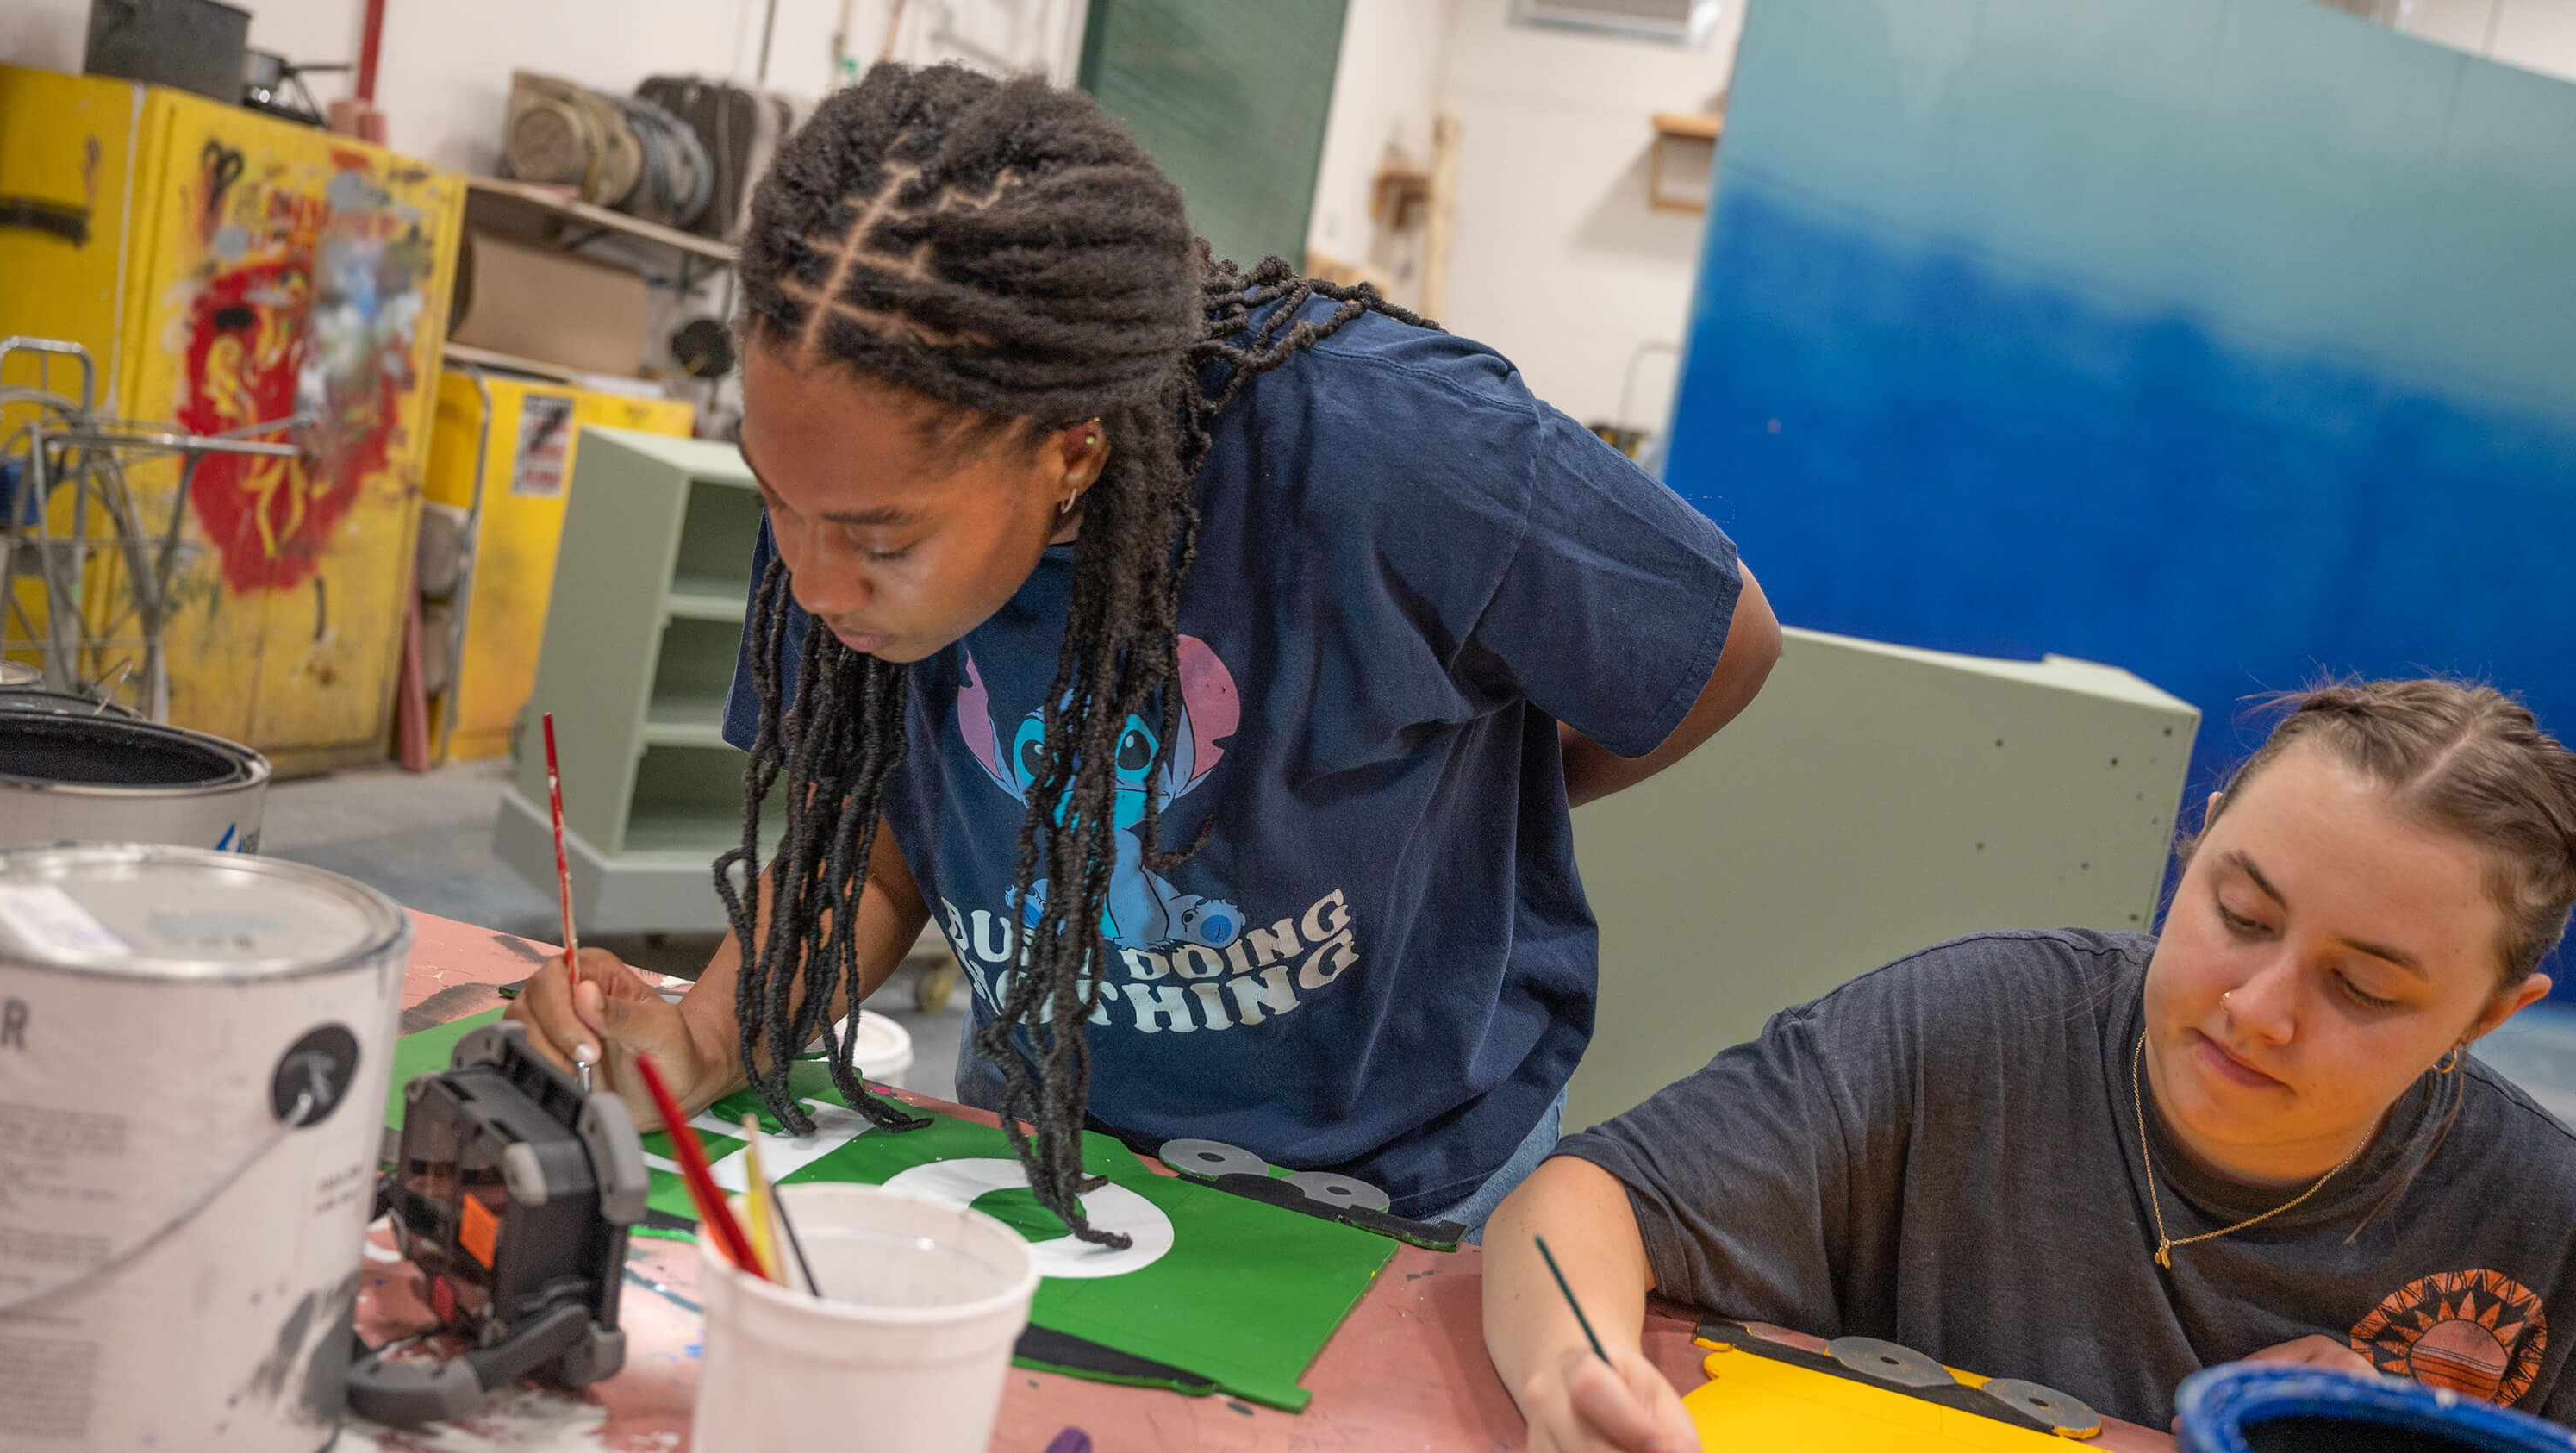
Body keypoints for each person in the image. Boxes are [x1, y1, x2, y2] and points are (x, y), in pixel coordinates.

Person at [506, 62, 1781, 1241]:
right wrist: (711, 1037)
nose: (812, 573)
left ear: (1070, 448)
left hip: (1404, 1181)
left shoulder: (1402, 450)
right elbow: (882, 842)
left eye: (879, 537)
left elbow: (1720, 639)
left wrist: (1488, 806)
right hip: (1055, 1146)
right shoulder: (835, 505)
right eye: (774, 499)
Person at [1484, 678, 2576, 1448]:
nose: (2259, 1009)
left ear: (2487, 1018)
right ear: (2193, 845)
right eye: (2240, 914)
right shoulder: (1978, 1031)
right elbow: (1585, 1200)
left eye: (2364, 989)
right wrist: (1578, 1372)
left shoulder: (2544, 1213)